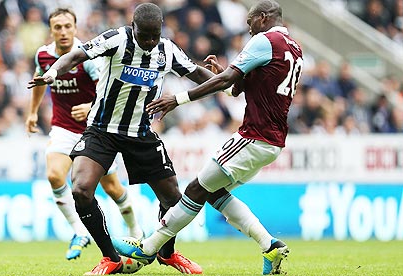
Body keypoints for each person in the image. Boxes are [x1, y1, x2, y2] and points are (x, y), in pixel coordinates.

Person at [112, 0, 303, 275]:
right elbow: (238, 88)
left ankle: (148, 249)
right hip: (272, 141)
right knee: (212, 192)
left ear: (263, 18)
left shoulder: (265, 40)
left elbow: (227, 81)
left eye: (250, 23)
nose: (248, 29)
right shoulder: (294, 48)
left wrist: (178, 99)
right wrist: (222, 75)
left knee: (194, 190)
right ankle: (269, 245)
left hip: (253, 135)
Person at [27, 3, 219, 275]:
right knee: (81, 190)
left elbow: (199, 74)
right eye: (145, 36)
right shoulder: (116, 39)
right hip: (102, 130)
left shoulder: (167, 50)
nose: (151, 42)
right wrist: (53, 72)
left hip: (140, 133)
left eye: (156, 35)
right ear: (133, 27)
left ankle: (167, 253)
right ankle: (110, 258)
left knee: (174, 200)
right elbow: (76, 56)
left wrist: (229, 82)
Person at [25, 8, 143, 261]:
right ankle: (80, 231)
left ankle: (136, 230)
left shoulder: (87, 57)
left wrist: (91, 107)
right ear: (51, 30)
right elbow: (40, 78)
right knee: (54, 175)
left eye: (68, 26)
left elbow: (110, 86)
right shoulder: (44, 55)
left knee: (112, 188)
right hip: (63, 128)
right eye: (58, 27)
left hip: (95, 131)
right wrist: (33, 112)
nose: (63, 32)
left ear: (76, 28)